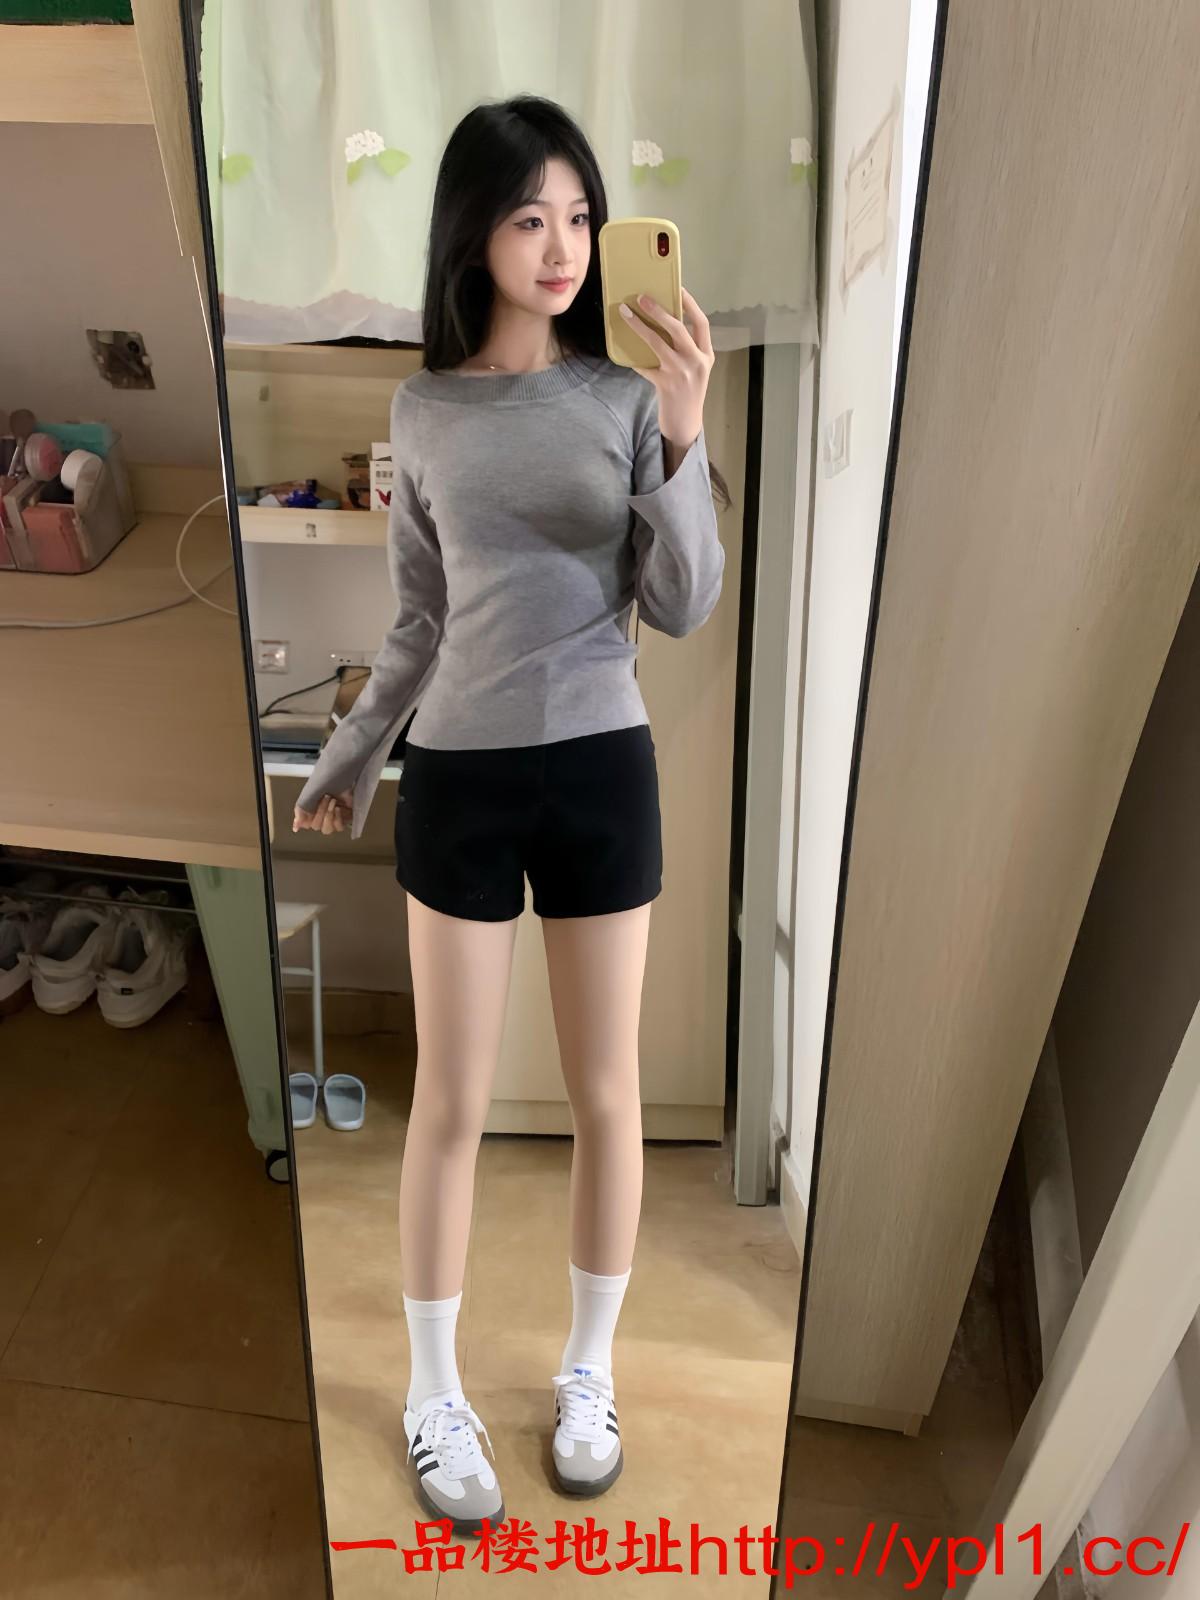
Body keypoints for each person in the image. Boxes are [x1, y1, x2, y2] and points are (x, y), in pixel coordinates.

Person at [293, 93, 726, 1533]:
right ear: (475, 233)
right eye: (532, 216)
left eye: (580, 216)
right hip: (463, 779)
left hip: (602, 766)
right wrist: (352, 750)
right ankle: (433, 1390)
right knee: (453, 1102)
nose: (563, 246)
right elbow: (418, 621)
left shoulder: (626, 401)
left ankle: (588, 1372)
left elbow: (684, 602)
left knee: (608, 1097)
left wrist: (685, 434)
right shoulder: (423, 410)